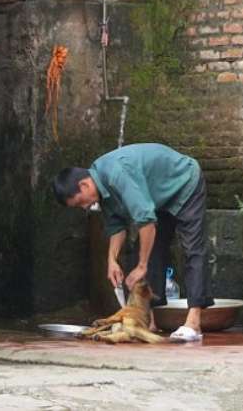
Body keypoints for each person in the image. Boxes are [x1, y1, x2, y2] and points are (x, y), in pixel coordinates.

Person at [53, 143, 214, 342]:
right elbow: (117, 227)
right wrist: (112, 260)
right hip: (158, 197)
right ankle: (150, 321)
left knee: (192, 249)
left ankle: (194, 322)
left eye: (80, 202)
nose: (85, 207)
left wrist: (142, 265)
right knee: (145, 250)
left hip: (184, 181)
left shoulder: (117, 174)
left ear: (84, 185)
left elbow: (146, 222)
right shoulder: (100, 184)